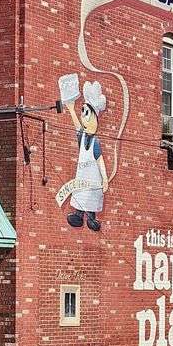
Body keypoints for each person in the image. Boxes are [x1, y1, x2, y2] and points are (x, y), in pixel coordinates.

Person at [64, 79, 109, 232]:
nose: (83, 116)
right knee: (80, 196)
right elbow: (77, 126)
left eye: (86, 113)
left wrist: (105, 179)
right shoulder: (82, 137)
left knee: (90, 198)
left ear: (95, 117)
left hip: (93, 177)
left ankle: (91, 218)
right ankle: (78, 215)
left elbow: (100, 161)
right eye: (82, 112)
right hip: (82, 176)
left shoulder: (95, 142)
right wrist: (71, 108)